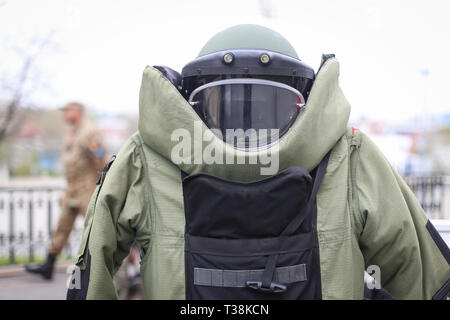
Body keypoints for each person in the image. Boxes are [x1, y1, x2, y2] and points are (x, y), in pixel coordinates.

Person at [67, 25, 449, 300]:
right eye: (228, 106)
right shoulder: (349, 153)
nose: (246, 126)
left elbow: (89, 278)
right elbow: (420, 272)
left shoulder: (146, 158)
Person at [25, 102, 108, 280]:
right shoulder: (70, 132)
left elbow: (100, 156)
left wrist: (102, 183)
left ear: (77, 112)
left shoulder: (89, 131)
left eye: (67, 111)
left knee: (94, 229)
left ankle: (98, 270)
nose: (64, 115)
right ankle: (48, 265)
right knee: (62, 227)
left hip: (87, 188)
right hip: (72, 188)